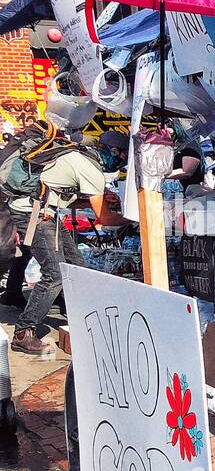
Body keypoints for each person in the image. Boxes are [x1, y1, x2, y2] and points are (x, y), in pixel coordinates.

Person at [11, 125, 126, 354]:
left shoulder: (79, 158)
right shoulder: (90, 168)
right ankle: (24, 332)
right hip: (34, 214)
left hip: (46, 212)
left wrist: (91, 203)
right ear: (114, 152)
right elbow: (104, 218)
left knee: (76, 267)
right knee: (54, 273)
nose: (122, 164)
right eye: (123, 157)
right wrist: (135, 219)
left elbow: (64, 199)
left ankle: (81, 316)